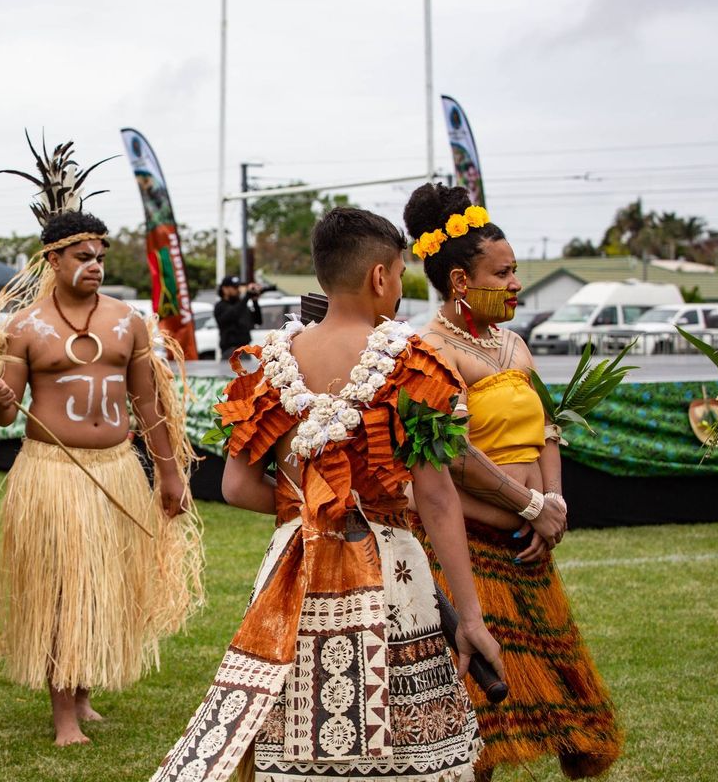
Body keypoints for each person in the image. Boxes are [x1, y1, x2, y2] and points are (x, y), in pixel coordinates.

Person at [153, 207, 501, 782]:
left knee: (295, 725)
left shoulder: (263, 366)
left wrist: (304, 509)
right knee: (408, 737)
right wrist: (470, 617)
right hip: (390, 568)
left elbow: (236, 488)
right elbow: (437, 501)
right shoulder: (416, 363)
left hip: (294, 564)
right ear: (380, 277)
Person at [0, 136, 203, 746]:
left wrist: (169, 473)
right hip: (52, 472)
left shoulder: (128, 321)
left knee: (100, 586)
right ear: (54, 261)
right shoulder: (27, 327)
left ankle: (84, 693)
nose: (94, 263)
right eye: (81, 255)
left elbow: (149, 404)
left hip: (119, 465)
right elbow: (3, 409)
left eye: (99, 254)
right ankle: (62, 713)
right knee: (59, 589)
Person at [403, 182, 623, 780]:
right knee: (475, 721)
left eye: (516, 271)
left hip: (527, 547)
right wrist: (527, 504)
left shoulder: (515, 343)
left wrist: (553, 501)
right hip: (468, 546)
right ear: (459, 283)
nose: (516, 284)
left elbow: (547, 427)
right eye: (503, 274)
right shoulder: (428, 349)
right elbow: (449, 454)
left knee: (549, 711)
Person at [214, 275, 262, 356]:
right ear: (224, 289)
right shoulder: (220, 306)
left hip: (245, 348)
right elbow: (232, 314)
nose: (238, 290)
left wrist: (255, 302)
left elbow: (258, 321)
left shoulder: (241, 305)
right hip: (230, 350)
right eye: (234, 288)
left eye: (238, 287)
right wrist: (246, 297)